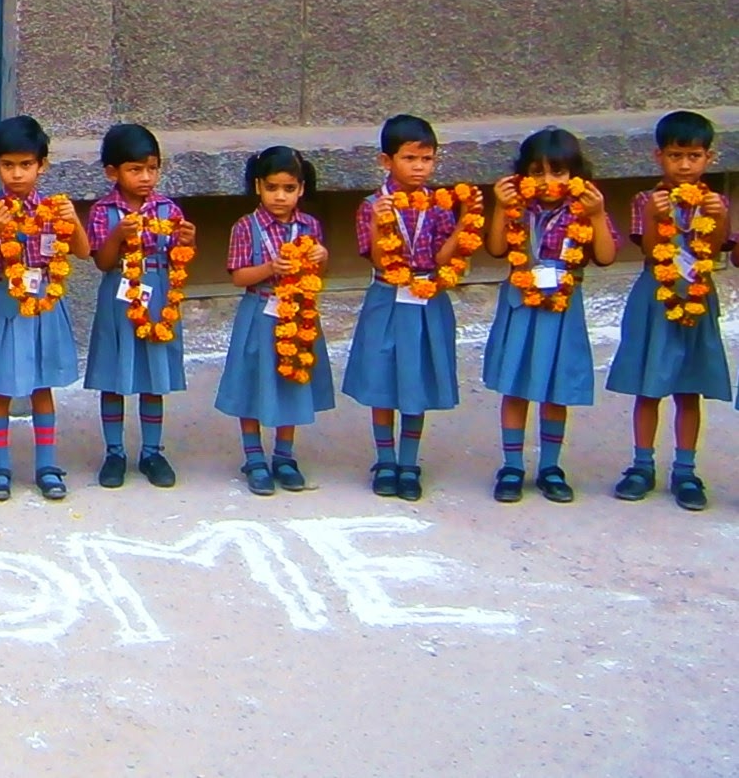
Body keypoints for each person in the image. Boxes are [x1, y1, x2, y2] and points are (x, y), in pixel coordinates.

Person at [344, 114, 484, 502]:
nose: (419, 167)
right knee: (382, 378)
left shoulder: (438, 205)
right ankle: (385, 460)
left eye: (427, 159)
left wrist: (464, 223)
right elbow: (378, 259)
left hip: (426, 298)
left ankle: (409, 462)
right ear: (386, 161)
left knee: (416, 378)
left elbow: (441, 258)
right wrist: (380, 223)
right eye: (409, 158)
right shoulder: (372, 205)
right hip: (387, 296)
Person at [482, 129, 616, 505]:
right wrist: (499, 207)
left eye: (558, 172)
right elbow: (495, 248)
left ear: (576, 175)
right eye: (537, 172)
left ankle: (551, 467)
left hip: (562, 306)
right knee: (516, 384)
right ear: (522, 174)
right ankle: (512, 466)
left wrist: (598, 214)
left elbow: (606, 256)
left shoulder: (583, 210)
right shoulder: (518, 207)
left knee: (556, 388)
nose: (547, 181)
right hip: (521, 303)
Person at [606, 110, 730, 512]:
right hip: (656, 296)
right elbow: (648, 251)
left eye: (694, 156)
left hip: (696, 294)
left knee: (688, 387)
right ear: (659, 156)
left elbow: (714, 251)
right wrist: (655, 216)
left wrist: (719, 217)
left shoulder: (716, 202)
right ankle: (642, 465)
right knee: (649, 386)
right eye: (676, 156)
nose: (685, 165)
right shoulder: (647, 200)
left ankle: (686, 470)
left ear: (709, 158)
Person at [0, 116, 90, 503]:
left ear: (43, 165)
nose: (17, 173)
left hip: (45, 303)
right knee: (1, 387)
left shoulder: (54, 209)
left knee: (42, 386)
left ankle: (47, 466)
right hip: (6, 302)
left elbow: (84, 251)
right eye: (8, 165)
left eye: (26, 164)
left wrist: (75, 222)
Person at [83, 124, 197, 490]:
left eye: (152, 168)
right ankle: (114, 452)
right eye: (135, 169)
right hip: (119, 292)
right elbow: (102, 262)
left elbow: (178, 259)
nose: (146, 177)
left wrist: (186, 242)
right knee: (114, 375)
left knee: (153, 374)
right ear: (112, 172)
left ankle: (152, 451)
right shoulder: (103, 211)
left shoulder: (168, 209)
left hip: (158, 293)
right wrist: (118, 236)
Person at [215, 148, 334, 495]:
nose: (280, 196)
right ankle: (254, 457)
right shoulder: (245, 227)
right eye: (272, 188)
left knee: (291, 379)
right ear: (258, 186)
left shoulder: (309, 226)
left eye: (289, 188)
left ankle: (284, 456)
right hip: (259, 311)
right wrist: (269, 268)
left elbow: (319, 274)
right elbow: (238, 276)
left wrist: (323, 257)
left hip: (297, 312)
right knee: (252, 380)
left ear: (301, 189)